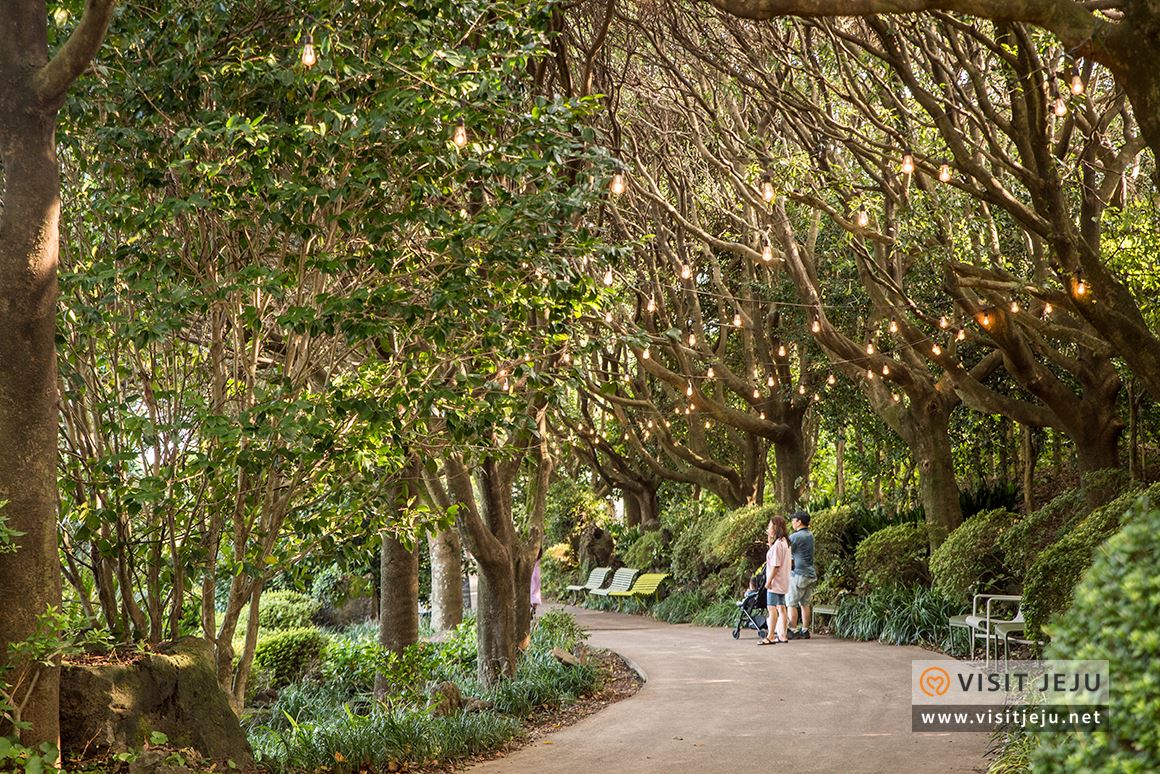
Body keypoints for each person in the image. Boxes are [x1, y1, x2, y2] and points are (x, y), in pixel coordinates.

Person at [759, 516, 791, 645]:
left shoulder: (778, 544)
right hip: (783, 581)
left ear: (775, 527)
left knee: (771, 608)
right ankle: (783, 635)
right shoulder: (785, 542)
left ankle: (771, 635)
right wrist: (770, 544)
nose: (768, 529)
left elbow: (775, 565)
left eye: (769, 526)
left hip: (775, 582)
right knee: (781, 607)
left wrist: (769, 581)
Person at [786, 510, 817, 640]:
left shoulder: (796, 537)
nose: (792, 522)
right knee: (805, 604)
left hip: (798, 574)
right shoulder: (810, 535)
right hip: (810, 574)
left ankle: (792, 630)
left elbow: (783, 549)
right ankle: (805, 630)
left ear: (799, 522)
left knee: (791, 603)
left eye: (794, 520)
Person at [529, 546, 543, 617]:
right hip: (536, 572)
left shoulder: (530, 558)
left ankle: (532, 607)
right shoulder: (537, 559)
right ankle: (533, 608)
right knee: (535, 590)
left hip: (532, 572)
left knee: (533, 590)